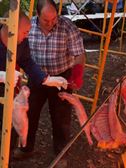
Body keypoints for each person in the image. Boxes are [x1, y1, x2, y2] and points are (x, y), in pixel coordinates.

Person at [14, 0, 86, 161]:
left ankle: (61, 156)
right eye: (46, 20)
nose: (51, 23)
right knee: (28, 113)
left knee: (61, 119)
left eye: (54, 19)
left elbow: (80, 55)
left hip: (61, 78)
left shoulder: (67, 27)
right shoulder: (28, 27)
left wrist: (77, 74)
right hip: (37, 77)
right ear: (37, 15)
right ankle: (26, 148)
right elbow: (18, 50)